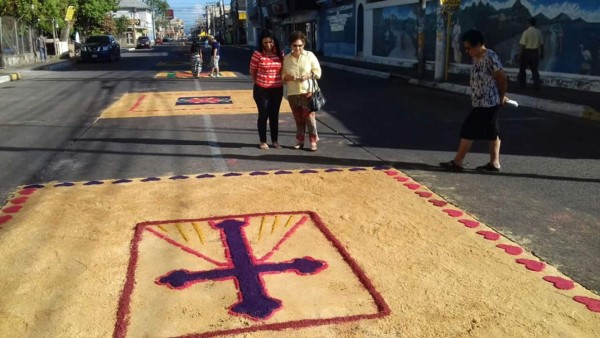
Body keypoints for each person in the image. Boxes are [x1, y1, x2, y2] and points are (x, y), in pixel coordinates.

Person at [440, 29, 508, 172]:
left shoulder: (490, 56)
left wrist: (501, 96)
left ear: (478, 44)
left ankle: (458, 161)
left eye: (468, 48)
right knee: (492, 131)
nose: (467, 51)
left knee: (468, 128)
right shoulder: (477, 57)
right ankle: (494, 163)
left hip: (488, 102)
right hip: (480, 101)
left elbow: (502, 78)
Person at [282, 31, 322, 151]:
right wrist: (287, 77)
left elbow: (318, 72)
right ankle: (300, 140)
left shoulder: (309, 56)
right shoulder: (286, 59)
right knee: (298, 118)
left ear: (303, 44)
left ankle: (313, 140)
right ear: (290, 46)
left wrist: (308, 75)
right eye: (295, 45)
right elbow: (282, 74)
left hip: (308, 91)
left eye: (300, 45)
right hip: (293, 92)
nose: (297, 48)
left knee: (309, 117)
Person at [249, 30, 284, 150]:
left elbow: (283, 70)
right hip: (261, 90)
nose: (268, 44)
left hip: (277, 89)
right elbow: (252, 71)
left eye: (270, 41)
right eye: (265, 42)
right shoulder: (257, 54)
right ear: (261, 43)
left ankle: (275, 140)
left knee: (274, 115)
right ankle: (263, 141)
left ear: (274, 41)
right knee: (264, 114)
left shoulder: (280, 54)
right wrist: (259, 82)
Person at [518, 17, 544, 90]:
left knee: (522, 70)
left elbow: (522, 45)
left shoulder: (526, 32)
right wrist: (542, 53)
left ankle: (522, 86)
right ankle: (537, 86)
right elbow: (542, 44)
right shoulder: (538, 32)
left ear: (528, 23)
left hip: (526, 53)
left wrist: (520, 55)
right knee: (535, 70)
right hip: (535, 53)